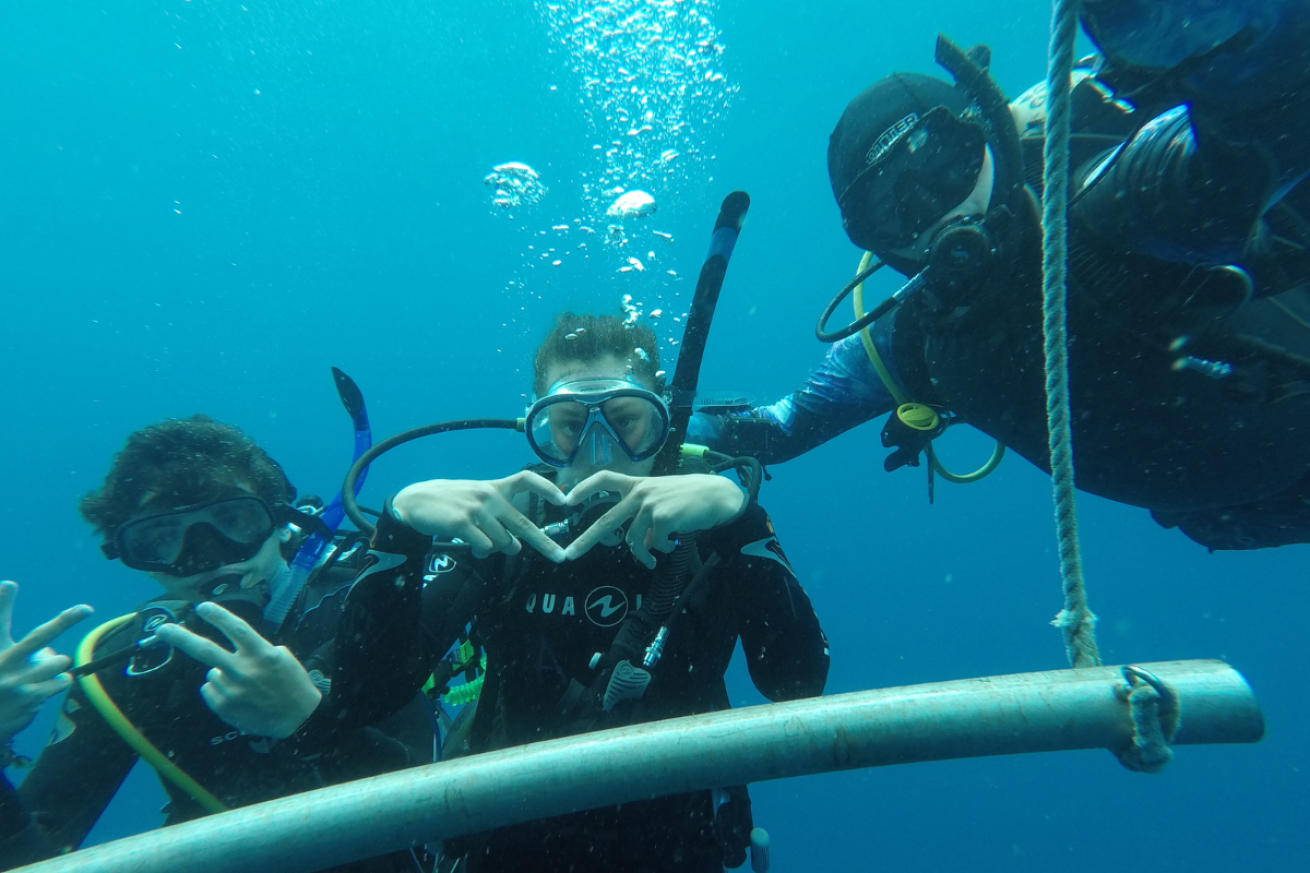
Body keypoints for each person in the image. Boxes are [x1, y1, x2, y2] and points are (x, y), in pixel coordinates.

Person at [689, 0, 1310, 551]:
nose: (939, 212)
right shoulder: (916, 342)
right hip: (1248, 507)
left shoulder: (1111, 199)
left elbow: (1259, 103)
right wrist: (630, 420)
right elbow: (784, 424)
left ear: (987, 132)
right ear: (877, 245)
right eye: (893, 212)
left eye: (946, 164)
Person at [314, 313, 830, 873]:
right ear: (538, 427)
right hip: (504, 850)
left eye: (625, 422)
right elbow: (361, 699)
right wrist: (401, 529)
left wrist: (740, 521)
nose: (598, 452)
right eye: (569, 427)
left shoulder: (711, 528)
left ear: (663, 419)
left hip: (676, 851)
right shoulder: (504, 532)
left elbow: (797, 682)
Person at [0, 416, 437, 872]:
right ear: (136, 559)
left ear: (279, 521)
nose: (204, 555)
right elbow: (30, 859)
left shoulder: (367, 606)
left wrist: (307, 723)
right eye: (164, 537)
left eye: (232, 520)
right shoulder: (135, 666)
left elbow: (435, 816)